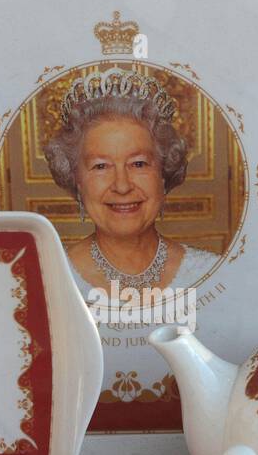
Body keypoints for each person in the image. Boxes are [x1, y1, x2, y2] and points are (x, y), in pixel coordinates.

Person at [44, 68, 220, 298]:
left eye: (138, 164)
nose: (122, 185)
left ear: (163, 173)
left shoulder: (211, 272)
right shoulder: (49, 279)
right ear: (77, 180)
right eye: (100, 166)